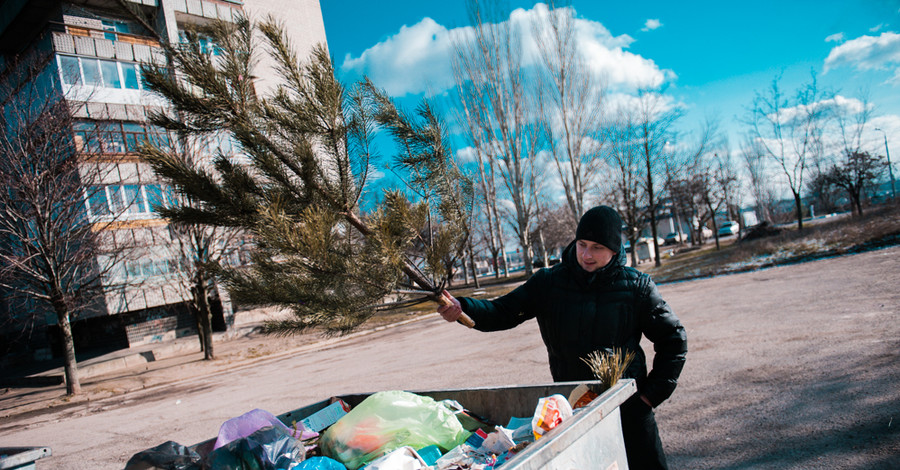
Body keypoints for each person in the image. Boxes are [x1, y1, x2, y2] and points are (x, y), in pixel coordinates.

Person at [438, 205, 687, 469]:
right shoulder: (550, 282)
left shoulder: (637, 286)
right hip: (572, 411)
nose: (586, 254)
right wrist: (464, 308)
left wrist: (648, 397)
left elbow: (674, 339)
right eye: (582, 244)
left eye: (597, 247)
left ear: (614, 250)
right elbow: (504, 311)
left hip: (629, 411)